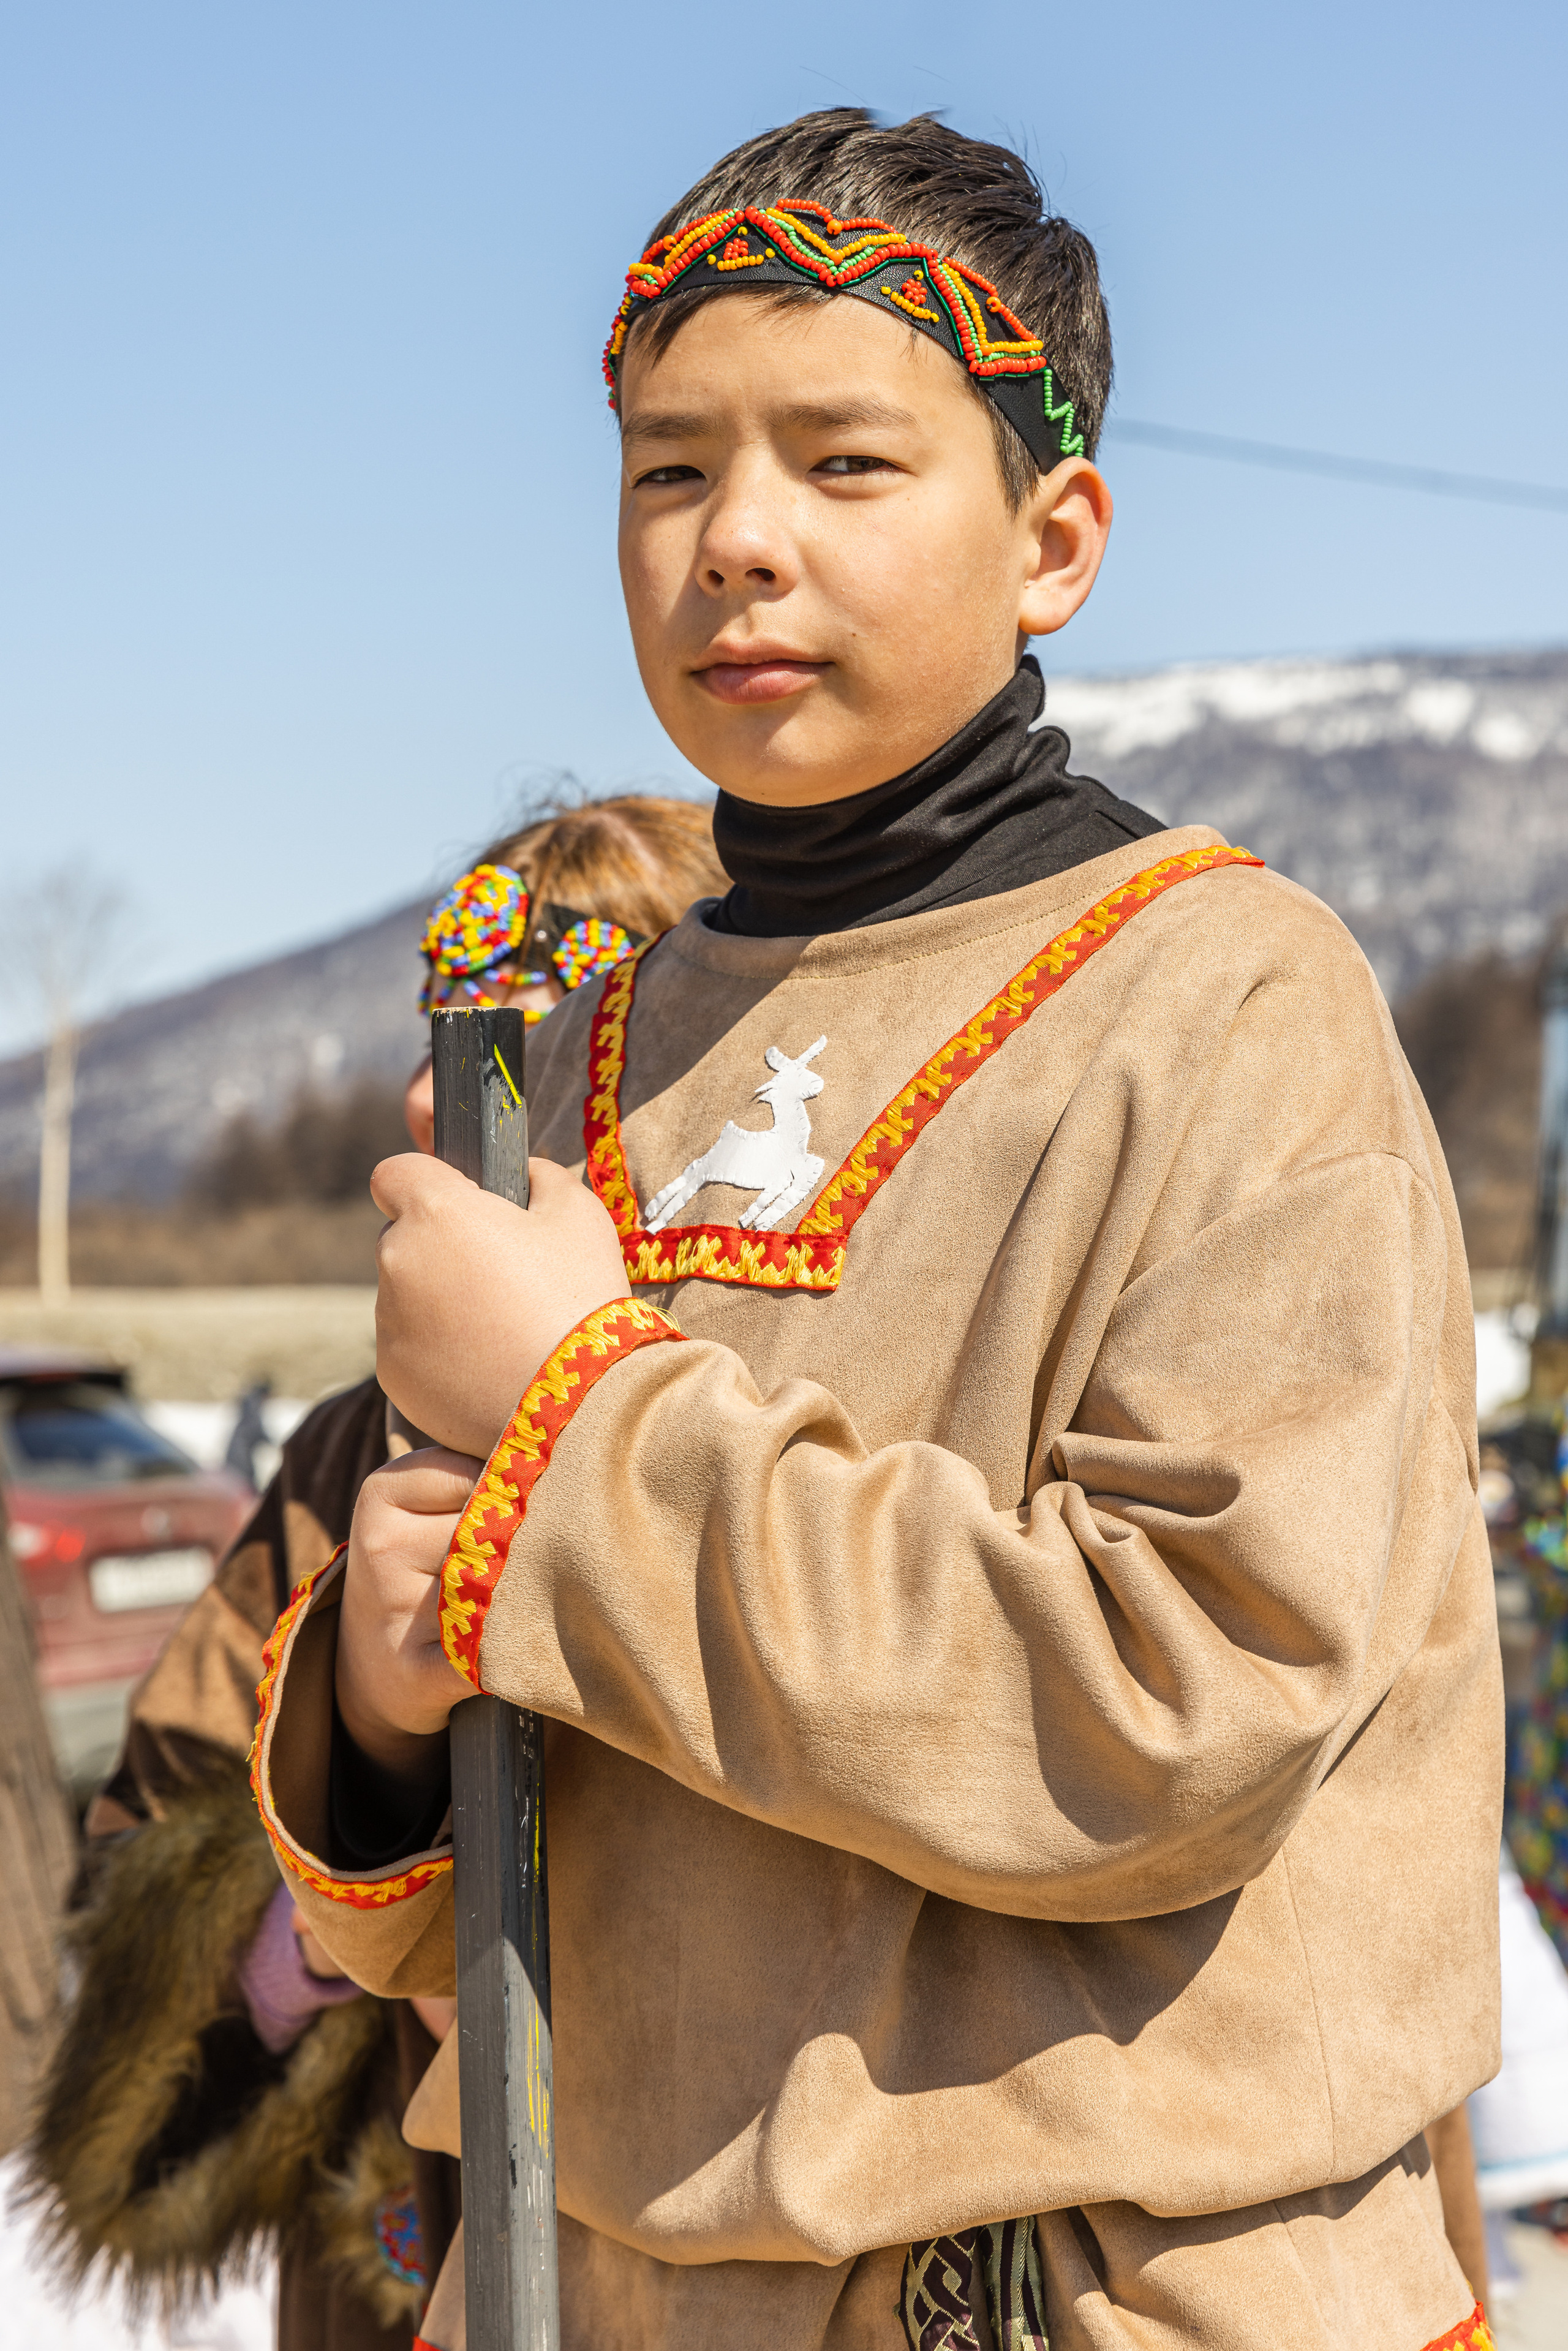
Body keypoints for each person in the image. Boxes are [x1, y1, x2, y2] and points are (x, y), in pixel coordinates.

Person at [251, 111, 1502, 2351]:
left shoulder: (1229, 996)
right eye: (667, 470)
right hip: (592, 2278)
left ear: (1056, 537)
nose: (737, 540)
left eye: (845, 465)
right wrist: (375, 1681)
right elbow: (442, 1913)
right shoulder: (582, 1045)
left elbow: (1174, 1709)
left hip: (1070, 2294)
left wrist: (579, 1427)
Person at [23, 794, 725, 2351]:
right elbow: (156, 1844)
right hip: (401, 2266)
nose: (429, 1098)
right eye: (439, 1037)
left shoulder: (772, 1433)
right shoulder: (353, 1446)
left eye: (511, 1049)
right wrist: (337, 1918)